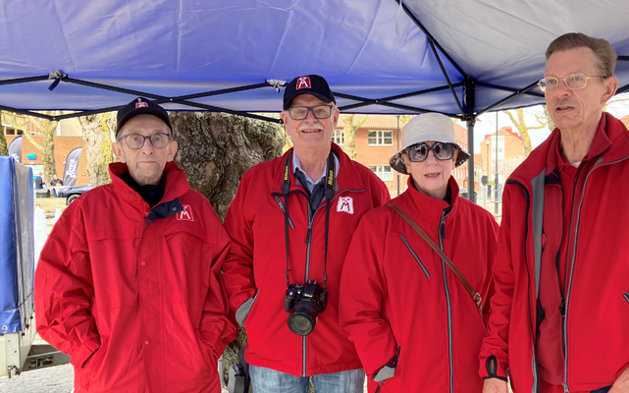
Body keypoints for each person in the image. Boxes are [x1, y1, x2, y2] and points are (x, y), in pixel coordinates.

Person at [480, 32, 629, 393]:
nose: (562, 92)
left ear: (608, 89)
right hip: (540, 382)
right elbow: (507, 284)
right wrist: (496, 365)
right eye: (552, 82)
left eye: (576, 79)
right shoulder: (525, 182)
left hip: (622, 380)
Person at [35, 97, 238, 393]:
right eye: (135, 138)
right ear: (118, 149)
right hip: (112, 380)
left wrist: (207, 346)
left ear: (172, 149)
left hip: (189, 379)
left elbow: (225, 282)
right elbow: (55, 291)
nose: (147, 148)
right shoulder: (87, 212)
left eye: (157, 138)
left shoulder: (198, 210)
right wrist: (90, 352)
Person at [222, 74, 390, 393]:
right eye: (299, 111)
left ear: (336, 116)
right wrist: (248, 308)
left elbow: (387, 266)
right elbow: (234, 253)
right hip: (272, 346)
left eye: (320, 110)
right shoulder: (257, 183)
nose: (310, 120)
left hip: (344, 349)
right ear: (285, 120)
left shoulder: (367, 187)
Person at [339, 113, 500, 392]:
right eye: (419, 150)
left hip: (472, 380)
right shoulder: (379, 226)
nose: (431, 160)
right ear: (406, 162)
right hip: (404, 381)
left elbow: (501, 302)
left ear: (455, 157)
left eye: (442, 148)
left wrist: (494, 367)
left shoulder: (483, 223)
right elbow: (357, 307)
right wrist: (384, 362)